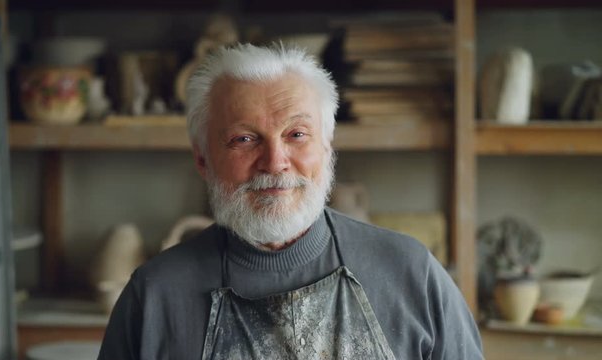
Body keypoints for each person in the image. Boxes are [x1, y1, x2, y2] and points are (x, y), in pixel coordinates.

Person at [98, 43, 483, 359]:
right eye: (245, 139)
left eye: (297, 134)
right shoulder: (155, 297)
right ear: (203, 159)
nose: (276, 162)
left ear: (327, 147)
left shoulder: (411, 274)